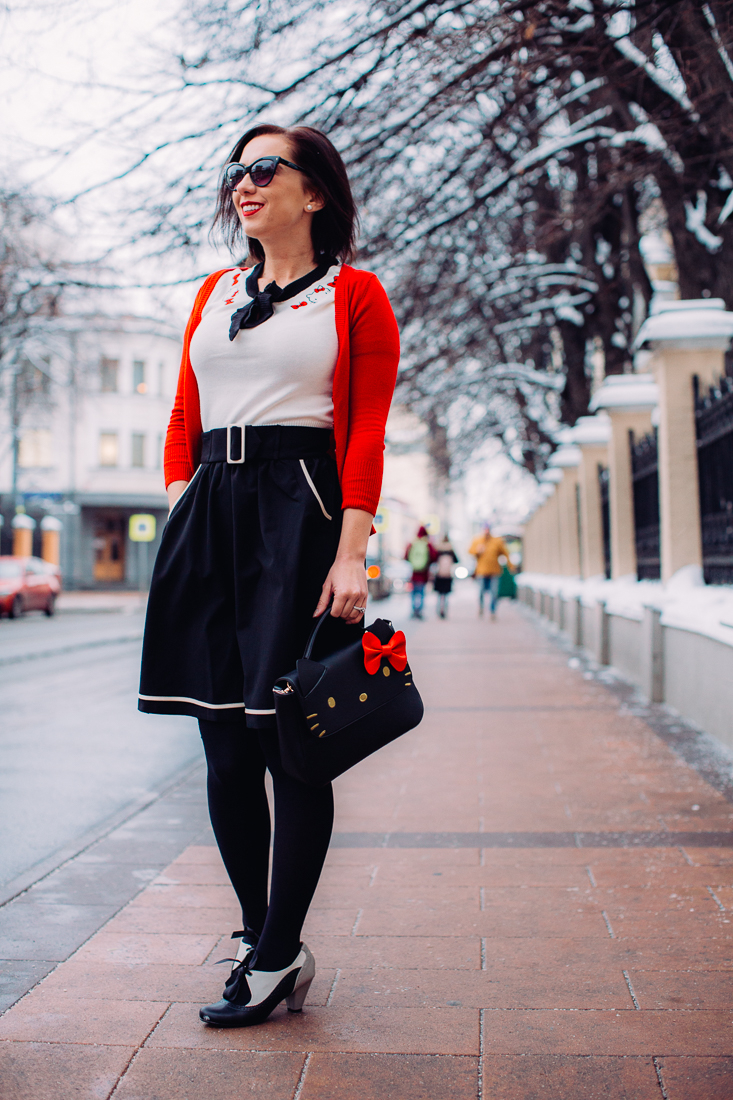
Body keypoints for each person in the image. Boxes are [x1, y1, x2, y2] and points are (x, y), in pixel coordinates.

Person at [138, 124, 399, 1028]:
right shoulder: (213, 293)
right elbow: (184, 410)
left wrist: (351, 549)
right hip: (211, 505)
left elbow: (365, 426)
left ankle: (281, 947)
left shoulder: (354, 296)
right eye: (235, 173)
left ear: (313, 193)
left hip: (300, 511)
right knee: (220, 738)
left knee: (288, 736)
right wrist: (183, 501)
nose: (243, 186)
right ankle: (261, 938)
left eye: (263, 169)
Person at [468, 524, 510, 619]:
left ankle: (492, 610)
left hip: (494, 571)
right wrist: (477, 551)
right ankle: (481, 607)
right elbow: (470, 551)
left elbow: (505, 553)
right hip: (481, 571)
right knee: (481, 592)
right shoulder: (478, 541)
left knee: (494, 592)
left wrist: (510, 565)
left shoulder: (496, 541)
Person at [405, 525, 435, 619]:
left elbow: (406, 556)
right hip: (423, 573)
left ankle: (414, 611)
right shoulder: (427, 544)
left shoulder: (412, 543)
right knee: (421, 594)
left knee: (413, 593)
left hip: (414, 573)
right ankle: (420, 611)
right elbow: (434, 556)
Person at [432, 533, 458, 619]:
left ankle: (438, 611)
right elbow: (457, 560)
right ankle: (445, 611)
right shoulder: (451, 550)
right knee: (446, 595)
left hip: (439, 575)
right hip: (447, 575)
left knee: (439, 595)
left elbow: (433, 560)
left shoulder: (438, 549)